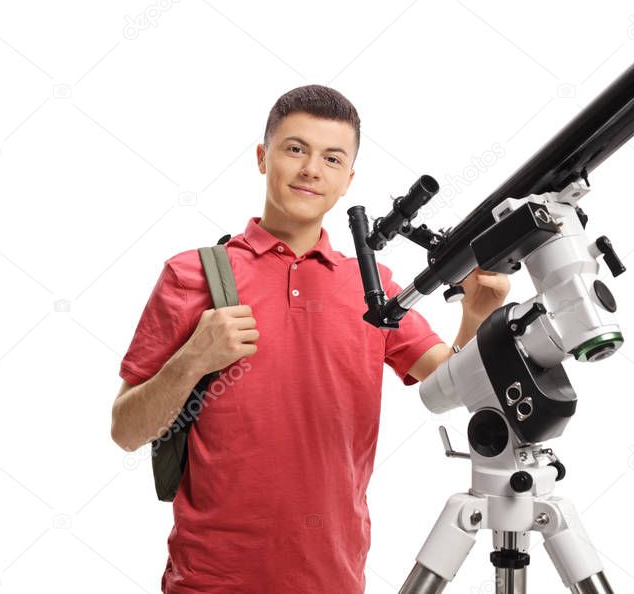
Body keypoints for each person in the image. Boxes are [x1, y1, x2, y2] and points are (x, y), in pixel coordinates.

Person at [111, 84, 510, 593]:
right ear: (263, 157)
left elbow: (453, 386)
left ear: (348, 179)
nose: (311, 170)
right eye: (295, 149)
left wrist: (476, 314)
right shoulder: (192, 275)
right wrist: (192, 359)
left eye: (332, 157)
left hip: (333, 579)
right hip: (209, 580)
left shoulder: (375, 289)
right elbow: (126, 429)